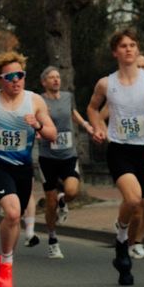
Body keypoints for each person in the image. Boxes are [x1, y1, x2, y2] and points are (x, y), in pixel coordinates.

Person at [86, 30, 144, 286]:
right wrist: (98, 127)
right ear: (115, 52)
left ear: (137, 50)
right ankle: (123, 241)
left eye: (133, 45)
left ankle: (122, 240)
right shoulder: (106, 84)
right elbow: (92, 108)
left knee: (140, 204)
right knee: (133, 199)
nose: (129, 49)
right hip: (119, 149)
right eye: (123, 46)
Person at [0, 53, 58, 287]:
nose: (16, 80)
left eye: (20, 75)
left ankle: (5, 258)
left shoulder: (34, 101)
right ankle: (6, 265)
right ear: (0, 79)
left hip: (22, 168)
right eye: (10, 76)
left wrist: (38, 125)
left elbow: (52, 133)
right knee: (12, 212)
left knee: (16, 218)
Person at [38, 66, 89, 260]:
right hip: (47, 157)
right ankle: (52, 239)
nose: (56, 80)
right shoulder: (39, 100)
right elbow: (34, 120)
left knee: (72, 191)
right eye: (51, 77)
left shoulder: (68, 97)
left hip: (68, 154)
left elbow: (73, 113)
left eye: (58, 77)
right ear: (44, 82)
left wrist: (86, 125)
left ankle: (63, 201)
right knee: (50, 201)